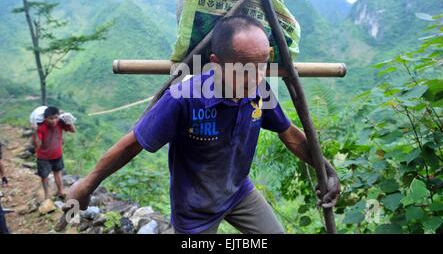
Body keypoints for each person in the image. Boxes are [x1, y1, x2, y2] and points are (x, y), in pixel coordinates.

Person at [67, 15, 340, 234]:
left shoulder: (260, 91)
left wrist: (326, 169)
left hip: (238, 192)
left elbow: (290, 134)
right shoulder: (184, 99)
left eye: (262, 65)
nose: (256, 76)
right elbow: (132, 144)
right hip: (194, 208)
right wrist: (86, 185)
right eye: (245, 67)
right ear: (216, 64)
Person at [35, 107, 76, 200]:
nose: (54, 121)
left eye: (56, 117)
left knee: (57, 173)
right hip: (43, 157)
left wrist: (68, 120)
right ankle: (46, 195)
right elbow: (38, 142)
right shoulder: (41, 128)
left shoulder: (61, 124)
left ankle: (61, 191)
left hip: (57, 155)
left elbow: (73, 130)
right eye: (51, 118)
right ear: (45, 118)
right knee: (44, 176)